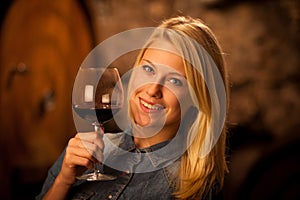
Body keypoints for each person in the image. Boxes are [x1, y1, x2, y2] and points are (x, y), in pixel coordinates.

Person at [36, 16, 229, 200]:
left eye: (174, 80)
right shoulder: (82, 152)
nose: (153, 89)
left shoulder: (193, 187)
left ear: (199, 99)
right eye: (148, 69)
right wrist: (64, 180)